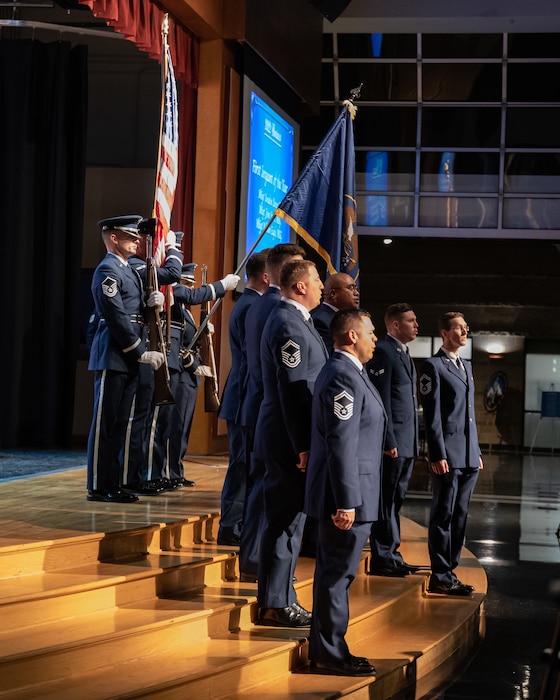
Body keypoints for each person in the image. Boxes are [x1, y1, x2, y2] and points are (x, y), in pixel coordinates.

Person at [305, 308, 385, 676]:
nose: (375, 339)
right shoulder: (341, 375)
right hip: (345, 497)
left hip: (354, 493)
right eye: (370, 332)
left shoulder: (353, 373)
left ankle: (330, 647)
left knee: (338, 575)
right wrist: (346, 501)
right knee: (336, 576)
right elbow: (340, 443)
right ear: (352, 336)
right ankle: (329, 653)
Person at [255, 259, 328, 628]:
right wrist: (303, 444)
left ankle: (283, 595)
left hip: (292, 434)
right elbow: (294, 388)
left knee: (292, 521)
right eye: (317, 281)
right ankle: (273, 603)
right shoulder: (287, 322)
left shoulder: (300, 320)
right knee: (283, 520)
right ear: (299, 286)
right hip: (287, 436)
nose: (321, 286)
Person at [237, 243, 306, 581]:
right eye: (297, 266)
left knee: (263, 491)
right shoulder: (276, 307)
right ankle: (253, 560)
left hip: (264, 408)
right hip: (270, 412)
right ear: (282, 271)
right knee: (264, 493)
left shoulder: (266, 303)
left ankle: (255, 560)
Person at [87, 215, 165, 503]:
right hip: (113, 353)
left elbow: (131, 310)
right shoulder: (108, 270)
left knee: (120, 422)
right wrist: (139, 350)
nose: (136, 241)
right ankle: (98, 484)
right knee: (105, 424)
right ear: (114, 238)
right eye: (130, 236)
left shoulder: (128, 271)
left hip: (129, 354)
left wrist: (149, 304)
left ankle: (114, 482)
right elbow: (115, 315)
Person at [148, 263, 240, 489]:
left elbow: (192, 343)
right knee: (170, 427)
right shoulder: (173, 299)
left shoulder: (184, 312)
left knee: (181, 427)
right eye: (186, 282)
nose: (188, 287)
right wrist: (192, 364)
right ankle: (165, 473)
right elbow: (176, 345)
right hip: (179, 371)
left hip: (187, 374)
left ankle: (175, 471)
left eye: (190, 283)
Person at [419, 312, 483, 596]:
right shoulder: (433, 366)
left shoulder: (466, 366)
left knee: (460, 515)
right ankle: (440, 574)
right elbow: (432, 416)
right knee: (443, 514)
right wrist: (436, 453)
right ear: (445, 333)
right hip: (447, 455)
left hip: (468, 455)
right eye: (458, 328)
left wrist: (476, 451)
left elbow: (469, 414)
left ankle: (450, 570)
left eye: (465, 327)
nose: (464, 332)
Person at [366, 303, 424, 577]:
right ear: (395, 325)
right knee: (386, 500)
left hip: (406, 441)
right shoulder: (385, 352)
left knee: (396, 499)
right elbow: (383, 401)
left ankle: (392, 552)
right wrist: (388, 440)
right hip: (393, 443)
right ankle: (383, 556)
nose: (416, 325)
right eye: (411, 321)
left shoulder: (403, 352)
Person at [217, 250, 269, 546]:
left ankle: (236, 525)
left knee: (245, 464)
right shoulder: (253, 307)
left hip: (243, 394)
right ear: (266, 276)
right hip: (244, 396)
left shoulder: (248, 303)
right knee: (241, 465)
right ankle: (231, 527)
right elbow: (254, 360)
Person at [311, 272, 360, 354]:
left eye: (356, 288)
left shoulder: (342, 317)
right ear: (333, 294)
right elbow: (328, 355)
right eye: (351, 288)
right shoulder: (320, 320)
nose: (356, 293)